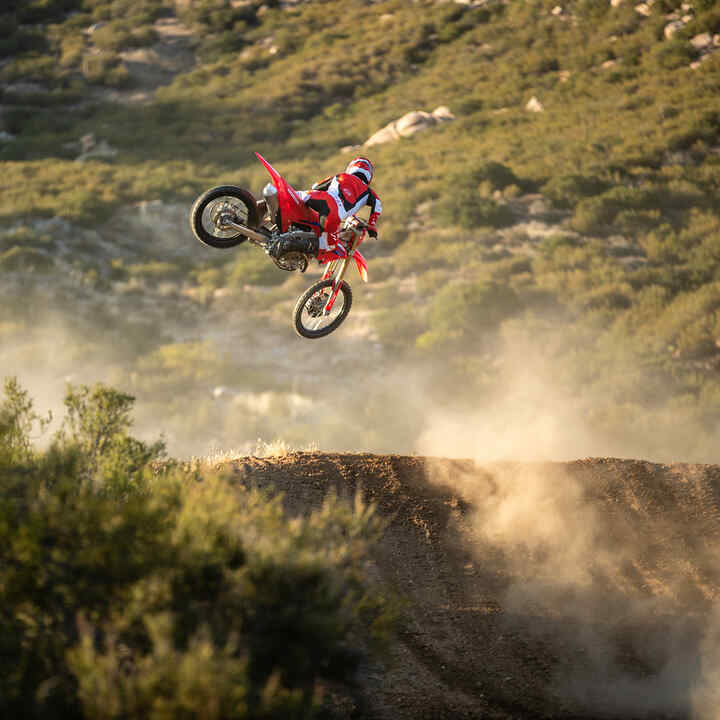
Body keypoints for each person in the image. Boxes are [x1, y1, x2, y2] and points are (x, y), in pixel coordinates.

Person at [270, 156, 381, 258]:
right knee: (326, 248)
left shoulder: (340, 176)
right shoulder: (369, 193)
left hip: (318, 197)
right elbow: (377, 209)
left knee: (292, 197)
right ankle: (296, 247)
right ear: (369, 175)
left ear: (351, 167)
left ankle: (272, 212)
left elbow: (316, 186)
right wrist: (371, 228)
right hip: (333, 214)